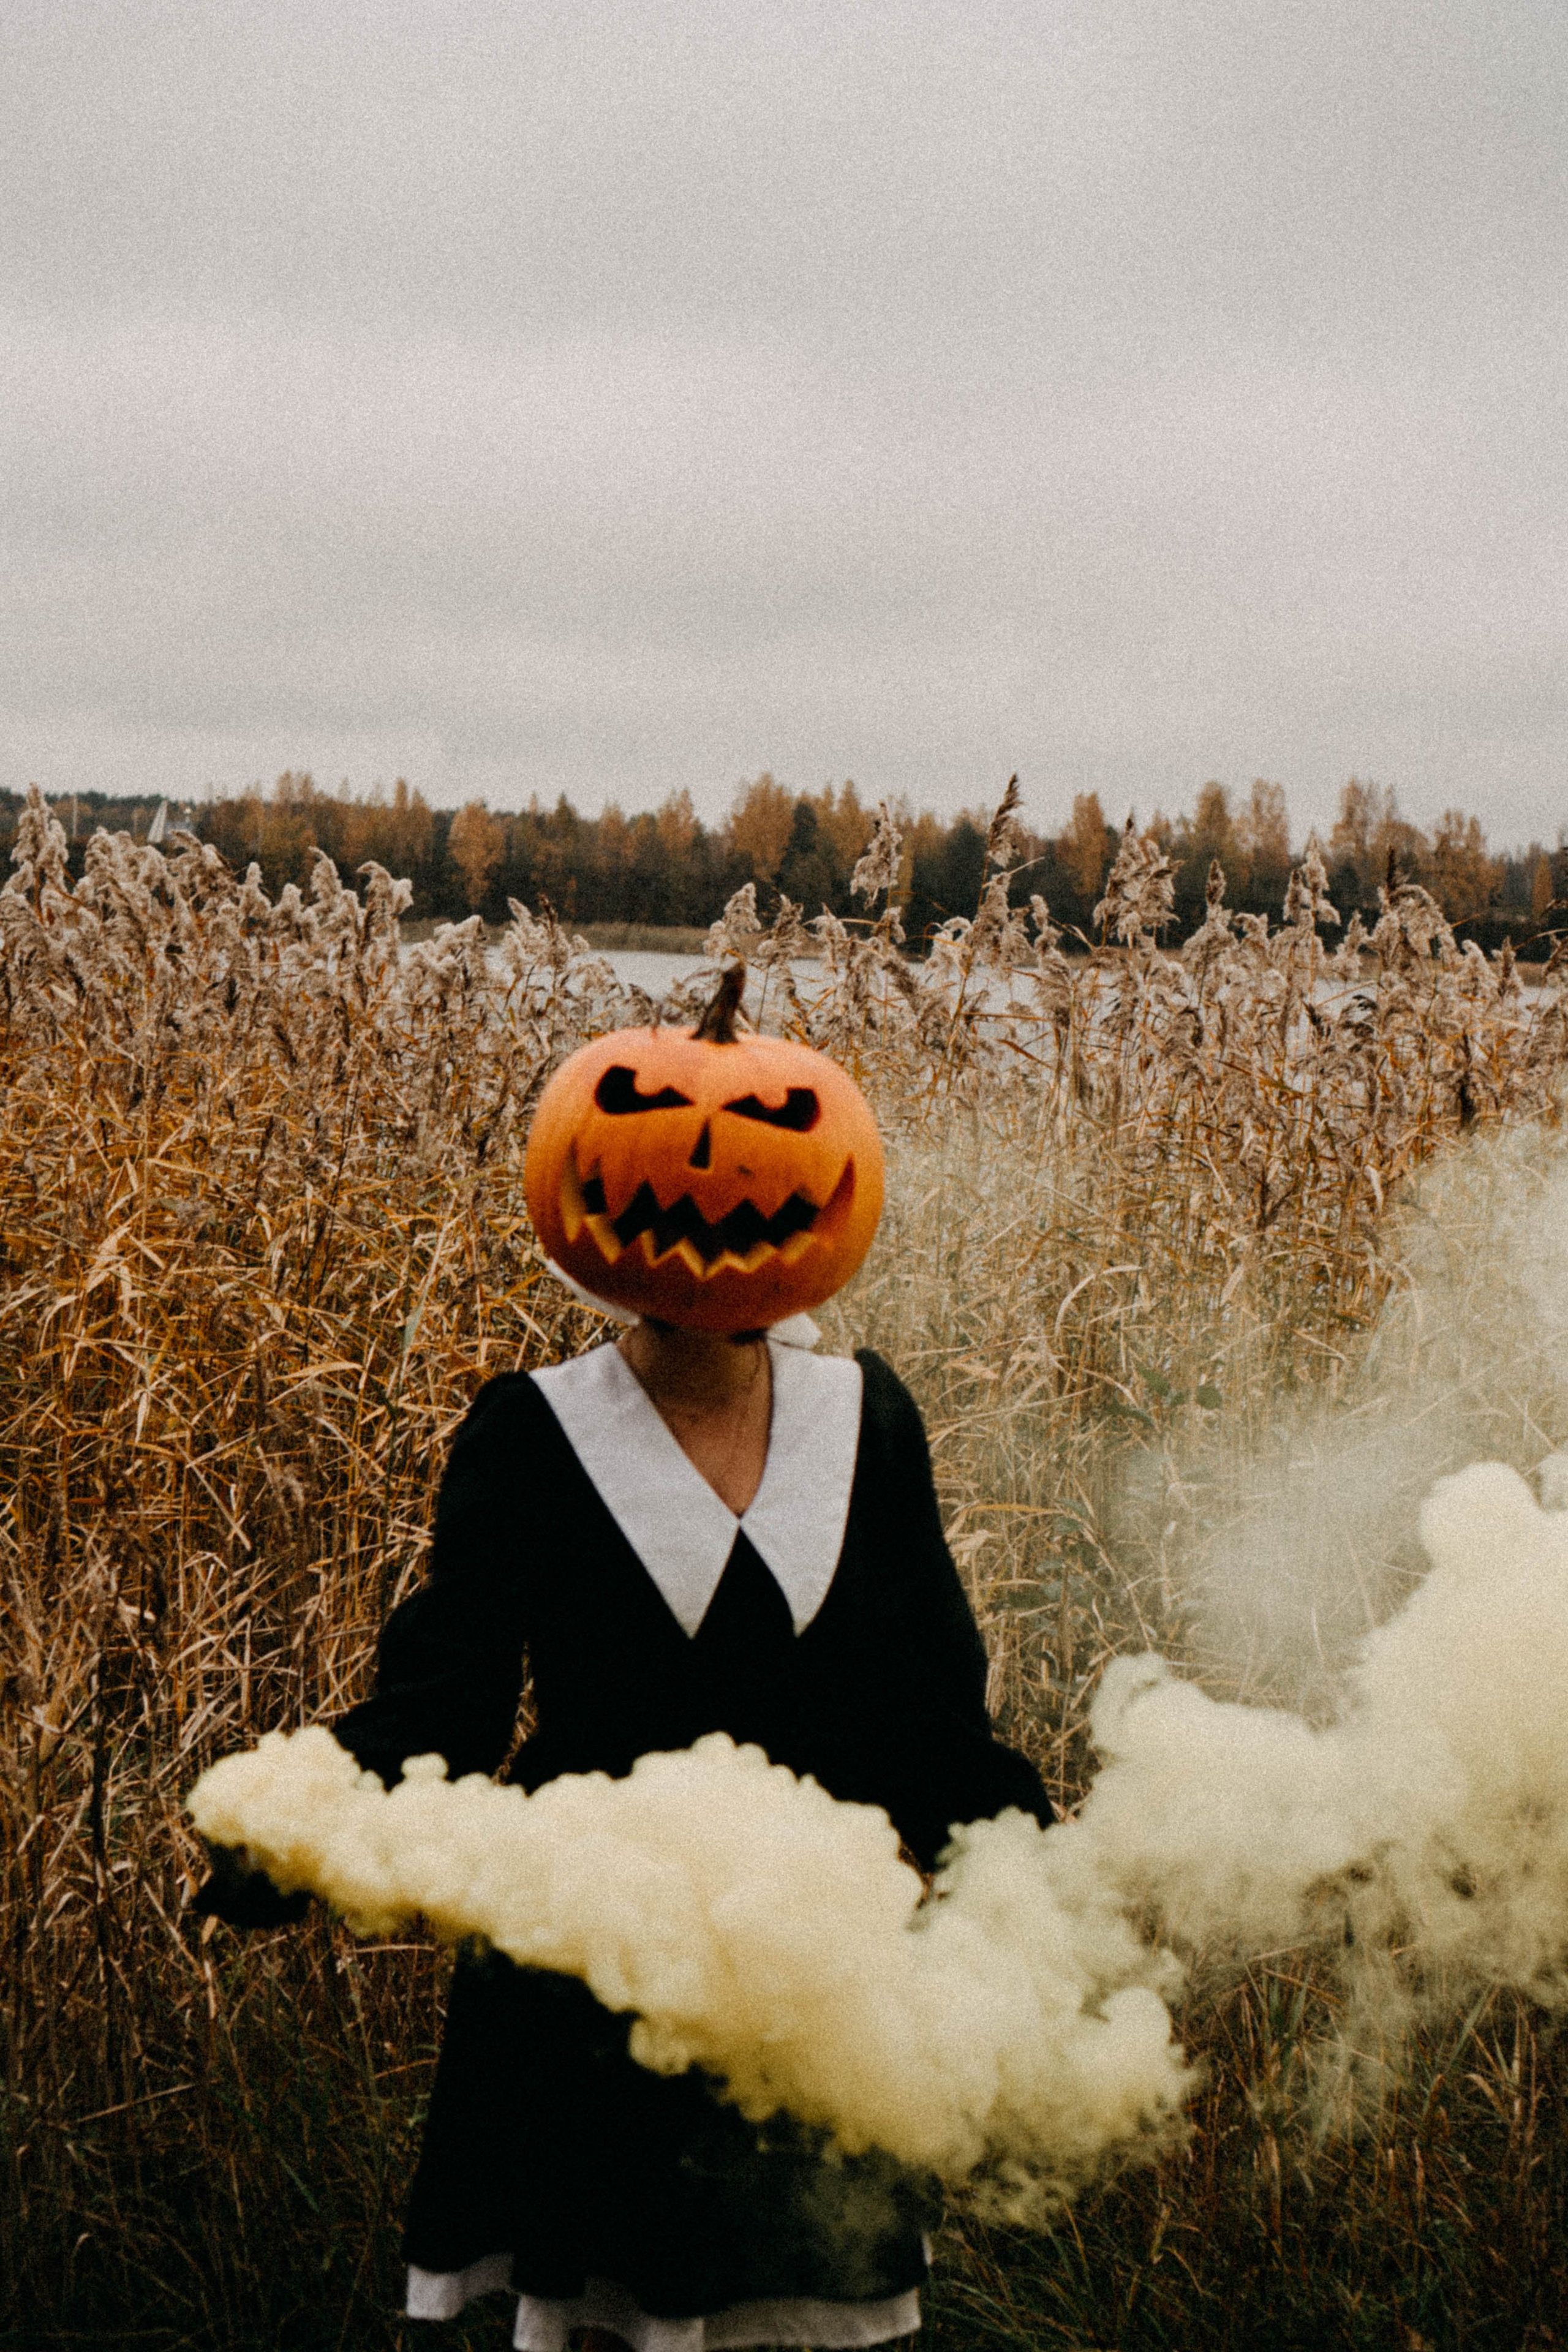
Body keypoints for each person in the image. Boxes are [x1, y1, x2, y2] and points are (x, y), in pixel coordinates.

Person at [202, 991, 1053, 2351]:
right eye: (656, 1134)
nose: (711, 1178)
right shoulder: (530, 1435)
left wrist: (1030, 1859)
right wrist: (295, 1832)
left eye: (769, 1136)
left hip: (807, 1960)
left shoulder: (868, 1422)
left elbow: (927, 1707)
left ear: (825, 1189)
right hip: (588, 1959)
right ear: (579, 1187)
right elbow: (449, 1705)